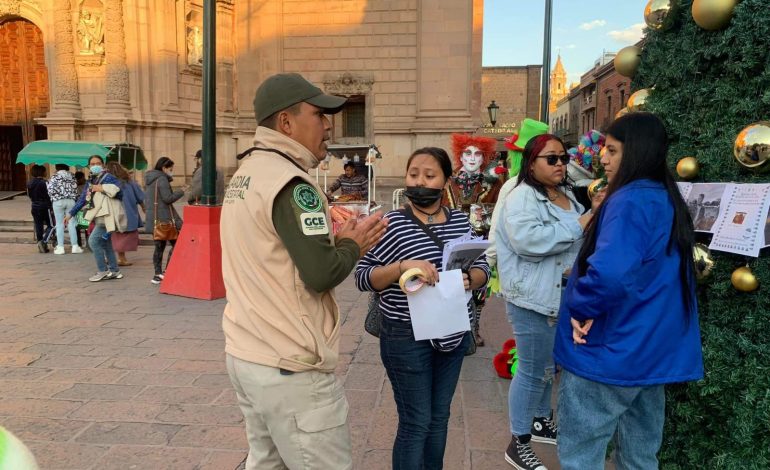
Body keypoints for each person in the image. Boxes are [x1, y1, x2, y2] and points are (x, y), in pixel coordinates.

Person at [220, 72, 387, 470]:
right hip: (290, 366)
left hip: (247, 353)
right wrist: (352, 243)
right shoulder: (294, 185)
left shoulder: (244, 175)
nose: (328, 125)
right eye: (319, 114)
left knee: (266, 462)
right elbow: (321, 272)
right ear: (286, 123)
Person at [554, 113, 704, 470]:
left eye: (612, 149)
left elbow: (611, 274)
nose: (602, 157)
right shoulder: (664, 197)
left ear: (636, 152)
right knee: (640, 454)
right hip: (650, 347)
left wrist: (580, 308)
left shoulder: (629, 200)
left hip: (611, 346)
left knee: (580, 453)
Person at [355, 147, 489, 469]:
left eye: (429, 176)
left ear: (445, 181)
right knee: (416, 422)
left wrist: (472, 277)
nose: (420, 181)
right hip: (405, 337)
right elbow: (362, 276)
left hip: (453, 333)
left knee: (439, 418)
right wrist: (401, 267)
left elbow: (483, 265)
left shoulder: (460, 221)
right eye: (414, 174)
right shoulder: (390, 224)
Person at [495, 134, 600, 470]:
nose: (559, 164)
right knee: (530, 371)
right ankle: (518, 443)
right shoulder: (520, 196)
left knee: (545, 368)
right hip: (532, 298)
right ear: (531, 162)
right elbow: (529, 241)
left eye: (563, 158)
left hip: (560, 295)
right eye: (550, 159)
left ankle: (540, 420)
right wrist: (582, 222)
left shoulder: (566, 192)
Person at [65, 155, 126, 282]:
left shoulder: (108, 177)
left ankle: (103, 271)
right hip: (100, 216)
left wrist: (102, 188)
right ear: (89, 166)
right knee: (105, 243)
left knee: (93, 242)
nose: (95, 166)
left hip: (106, 216)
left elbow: (120, 193)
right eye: (92, 164)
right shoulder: (91, 180)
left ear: (103, 165)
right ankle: (114, 270)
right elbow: (83, 198)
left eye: (98, 163)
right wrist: (70, 213)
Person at [144, 157, 184, 285]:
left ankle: (157, 274)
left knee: (159, 248)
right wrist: (181, 191)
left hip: (155, 219)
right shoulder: (161, 179)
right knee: (178, 244)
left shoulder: (150, 179)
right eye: (170, 169)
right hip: (165, 220)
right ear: (164, 168)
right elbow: (167, 198)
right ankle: (167, 271)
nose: (172, 171)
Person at [106, 162, 145, 266]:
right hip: (128, 213)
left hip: (112, 213)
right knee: (123, 235)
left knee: (114, 235)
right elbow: (140, 198)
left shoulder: (106, 183)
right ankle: (121, 258)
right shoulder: (129, 182)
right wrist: (144, 208)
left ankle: (111, 256)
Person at [46, 163, 82, 255]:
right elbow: (75, 188)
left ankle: (60, 247)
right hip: (71, 201)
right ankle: (75, 246)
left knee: (59, 224)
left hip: (58, 201)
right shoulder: (72, 176)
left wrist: (55, 197)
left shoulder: (54, 177)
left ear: (57, 167)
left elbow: (50, 190)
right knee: (72, 223)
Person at [27, 165, 52, 253]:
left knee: (38, 226)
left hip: (34, 206)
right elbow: (48, 195)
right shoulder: (45, 182)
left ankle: (39, 242)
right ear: (42, 172)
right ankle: (43, 241)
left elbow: (29, 195)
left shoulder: (29, 183)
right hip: (45, 206)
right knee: (51, 225)